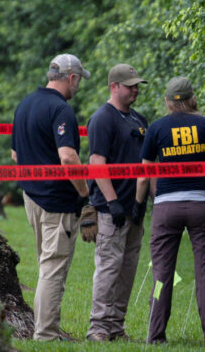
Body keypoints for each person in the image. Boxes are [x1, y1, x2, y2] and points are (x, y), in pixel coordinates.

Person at [135, 77, 205, 346]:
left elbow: (144, 175)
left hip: (166, 207)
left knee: (161, 275)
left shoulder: (156, 128)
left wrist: (137, 205)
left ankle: (155, 335)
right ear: (192, 98)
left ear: (168, 101)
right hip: (203, 205)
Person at [10, 53, 91, 341]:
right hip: (58, 201)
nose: (77, 87)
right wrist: (85, 195)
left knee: (47, 264)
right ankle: (45, 335)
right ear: (71, 78)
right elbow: (68, 158)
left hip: (31, 196)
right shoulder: (61, 110)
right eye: (78, 80)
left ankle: (44, 329)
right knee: (53, 268)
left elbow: (15, 154)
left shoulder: (24, 105)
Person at [85, 64, 149, 342]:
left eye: (137, 85)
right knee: (109, 266)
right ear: (114, 86)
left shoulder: (139, 119)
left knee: (128, 268)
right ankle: (98, 327)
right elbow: (97, 163)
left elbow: (148, 166)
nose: (135, 89)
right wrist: (113, 203)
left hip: (135, 207)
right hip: (112, 208)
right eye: (130, 85)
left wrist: (142, 202)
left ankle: (115, 326)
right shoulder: (102, 118)